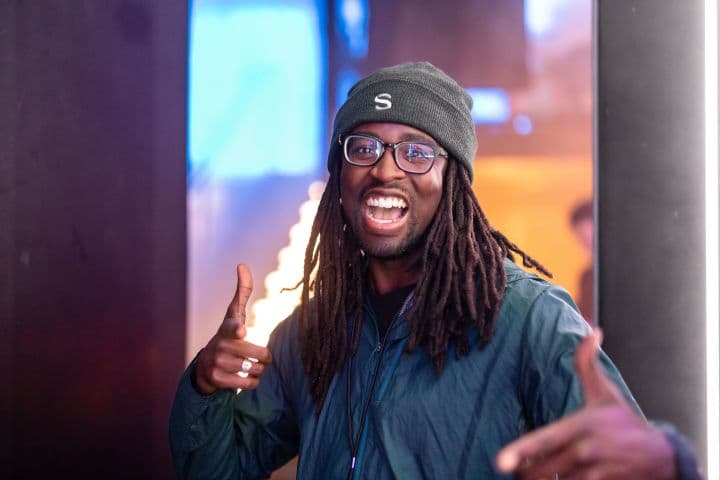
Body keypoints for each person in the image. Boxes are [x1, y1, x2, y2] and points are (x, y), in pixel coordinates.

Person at [169, 62, 701, 479]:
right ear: (339, 177)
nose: (384, 168)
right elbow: (218, 470)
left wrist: (663, 463)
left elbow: (618, 457)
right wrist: (203, 387)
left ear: (453, 183)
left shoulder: (529, 319)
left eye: (417, 152)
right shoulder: (312, 333)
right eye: (364, 147)